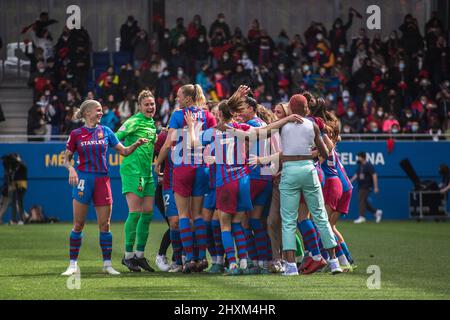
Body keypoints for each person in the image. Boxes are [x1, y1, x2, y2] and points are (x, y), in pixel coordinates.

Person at [61, 99, 148, 276]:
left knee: (105, 224)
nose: (101, 113)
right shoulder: (76, 134)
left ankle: (107, 265)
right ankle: (72, 264)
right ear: (87, 113)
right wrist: (71, 169)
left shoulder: (106, 131)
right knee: (78, 224)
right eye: (98, 110)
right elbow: (66, 158)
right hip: (84, 180)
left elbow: (123, 151)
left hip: (102, 180)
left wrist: (136, 144)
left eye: (101, 110)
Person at [154, 84, 216, 273]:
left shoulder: (178, 115)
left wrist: (158, 163)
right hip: (201, 168)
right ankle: (201, 258)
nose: (177, 99)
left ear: (188, 98)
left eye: (179, 96)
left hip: (182, 169)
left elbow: (168, 143)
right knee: (197, 215)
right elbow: (213, 139)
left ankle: (188, 259)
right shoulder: (208, 115)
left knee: (183, 215)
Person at [115, 90, 158, 272]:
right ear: (139, 106)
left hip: (147, 173)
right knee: (135, 213)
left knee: (147, 213)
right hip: (132, 171)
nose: (150, 107)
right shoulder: (133, 121)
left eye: (152, 104)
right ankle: (127, 255)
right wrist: (128, 149)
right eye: (147, 104)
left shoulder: (151, 123)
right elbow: (115, 138)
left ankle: (139, 256)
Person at [351, 152, 383, 224]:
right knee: (364, 201)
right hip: (360, 186)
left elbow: (374, 175)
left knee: (361, 200)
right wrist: (350, 181)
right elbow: (356, 175)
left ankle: (362, 217)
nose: (358, 158)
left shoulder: (368, 165)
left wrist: (376, 187)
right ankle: (377, 212)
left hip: (366, 186)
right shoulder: (360, 166)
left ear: (362, 157)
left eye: (359, 157)